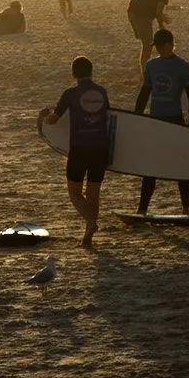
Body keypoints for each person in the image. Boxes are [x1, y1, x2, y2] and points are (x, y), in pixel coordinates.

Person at [41, 55, 110, 248]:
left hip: (80, 149)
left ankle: (90, 222)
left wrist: (44, 119)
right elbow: (109, 116)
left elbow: (54, 119)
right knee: (93, 194)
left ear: (73, 74)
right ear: (91, 71)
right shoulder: (102, 92)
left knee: (75, 193)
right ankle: (89, 232)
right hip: (101, 148)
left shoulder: (71, 94)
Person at [134, 28, 189, 216]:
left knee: (181, 164)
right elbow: (144, 93)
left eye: (162, 46)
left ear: (171, 44)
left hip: (175, 120)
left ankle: (185, 207)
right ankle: (142, 209)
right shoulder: (151, 66)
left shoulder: (183, 67)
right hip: (155, 122)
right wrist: (136, 118)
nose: (159, 50)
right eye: (157, 47)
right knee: (150, 165)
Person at [127, 0, 187, 66]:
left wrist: (161, 18)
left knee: (146, 42)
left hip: (132, 12)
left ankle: (145, 66)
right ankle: (145, 69)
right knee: (148, 45)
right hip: (141, 15)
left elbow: (155, 8)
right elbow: (158, 11)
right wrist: (161, 26)